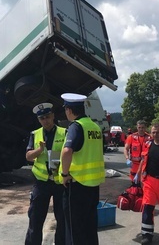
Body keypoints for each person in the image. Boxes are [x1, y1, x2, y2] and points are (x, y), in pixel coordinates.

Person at [59, 93, 105, 245]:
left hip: (77, 184)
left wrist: (64, 174)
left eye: (66, 109)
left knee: (74, 229)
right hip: (93, 186)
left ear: (69, 110)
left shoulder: (76, 127)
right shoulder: (95, 127)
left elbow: (67, 151)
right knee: (90, 227)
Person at [25, 102, 66, 245]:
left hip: (60, 182)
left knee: (62, 219)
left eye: (48, 117)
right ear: (38, 120)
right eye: (42, 118)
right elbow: (28, 156)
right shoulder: (34, 134)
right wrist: (39, 150)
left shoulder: (64, 132)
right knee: (35, 218)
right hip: (41, 182)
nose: (45, 121)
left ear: (53, 116)